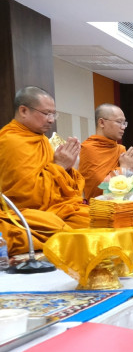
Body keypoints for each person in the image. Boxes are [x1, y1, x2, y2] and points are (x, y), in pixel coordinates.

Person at [0, 86, 90, 251]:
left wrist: (69, 167)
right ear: (23, 110)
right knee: (75, 227)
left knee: (102, 217)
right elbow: (27, 196)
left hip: (56, 209)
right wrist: (60, 166)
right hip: (28, 213)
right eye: (46, 113)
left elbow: (66, 190)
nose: (51, 120)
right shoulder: (11, 142)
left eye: (53, 114)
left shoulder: (41, 140)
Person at [79, 104, 133, 199]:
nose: (123, 127)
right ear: (102, 123)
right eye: (119, 122)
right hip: (98, 206)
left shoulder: (121, 150)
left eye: (124, 123)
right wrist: (124, 168)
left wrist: (131, 169)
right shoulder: (88, 149)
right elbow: (99, 189)